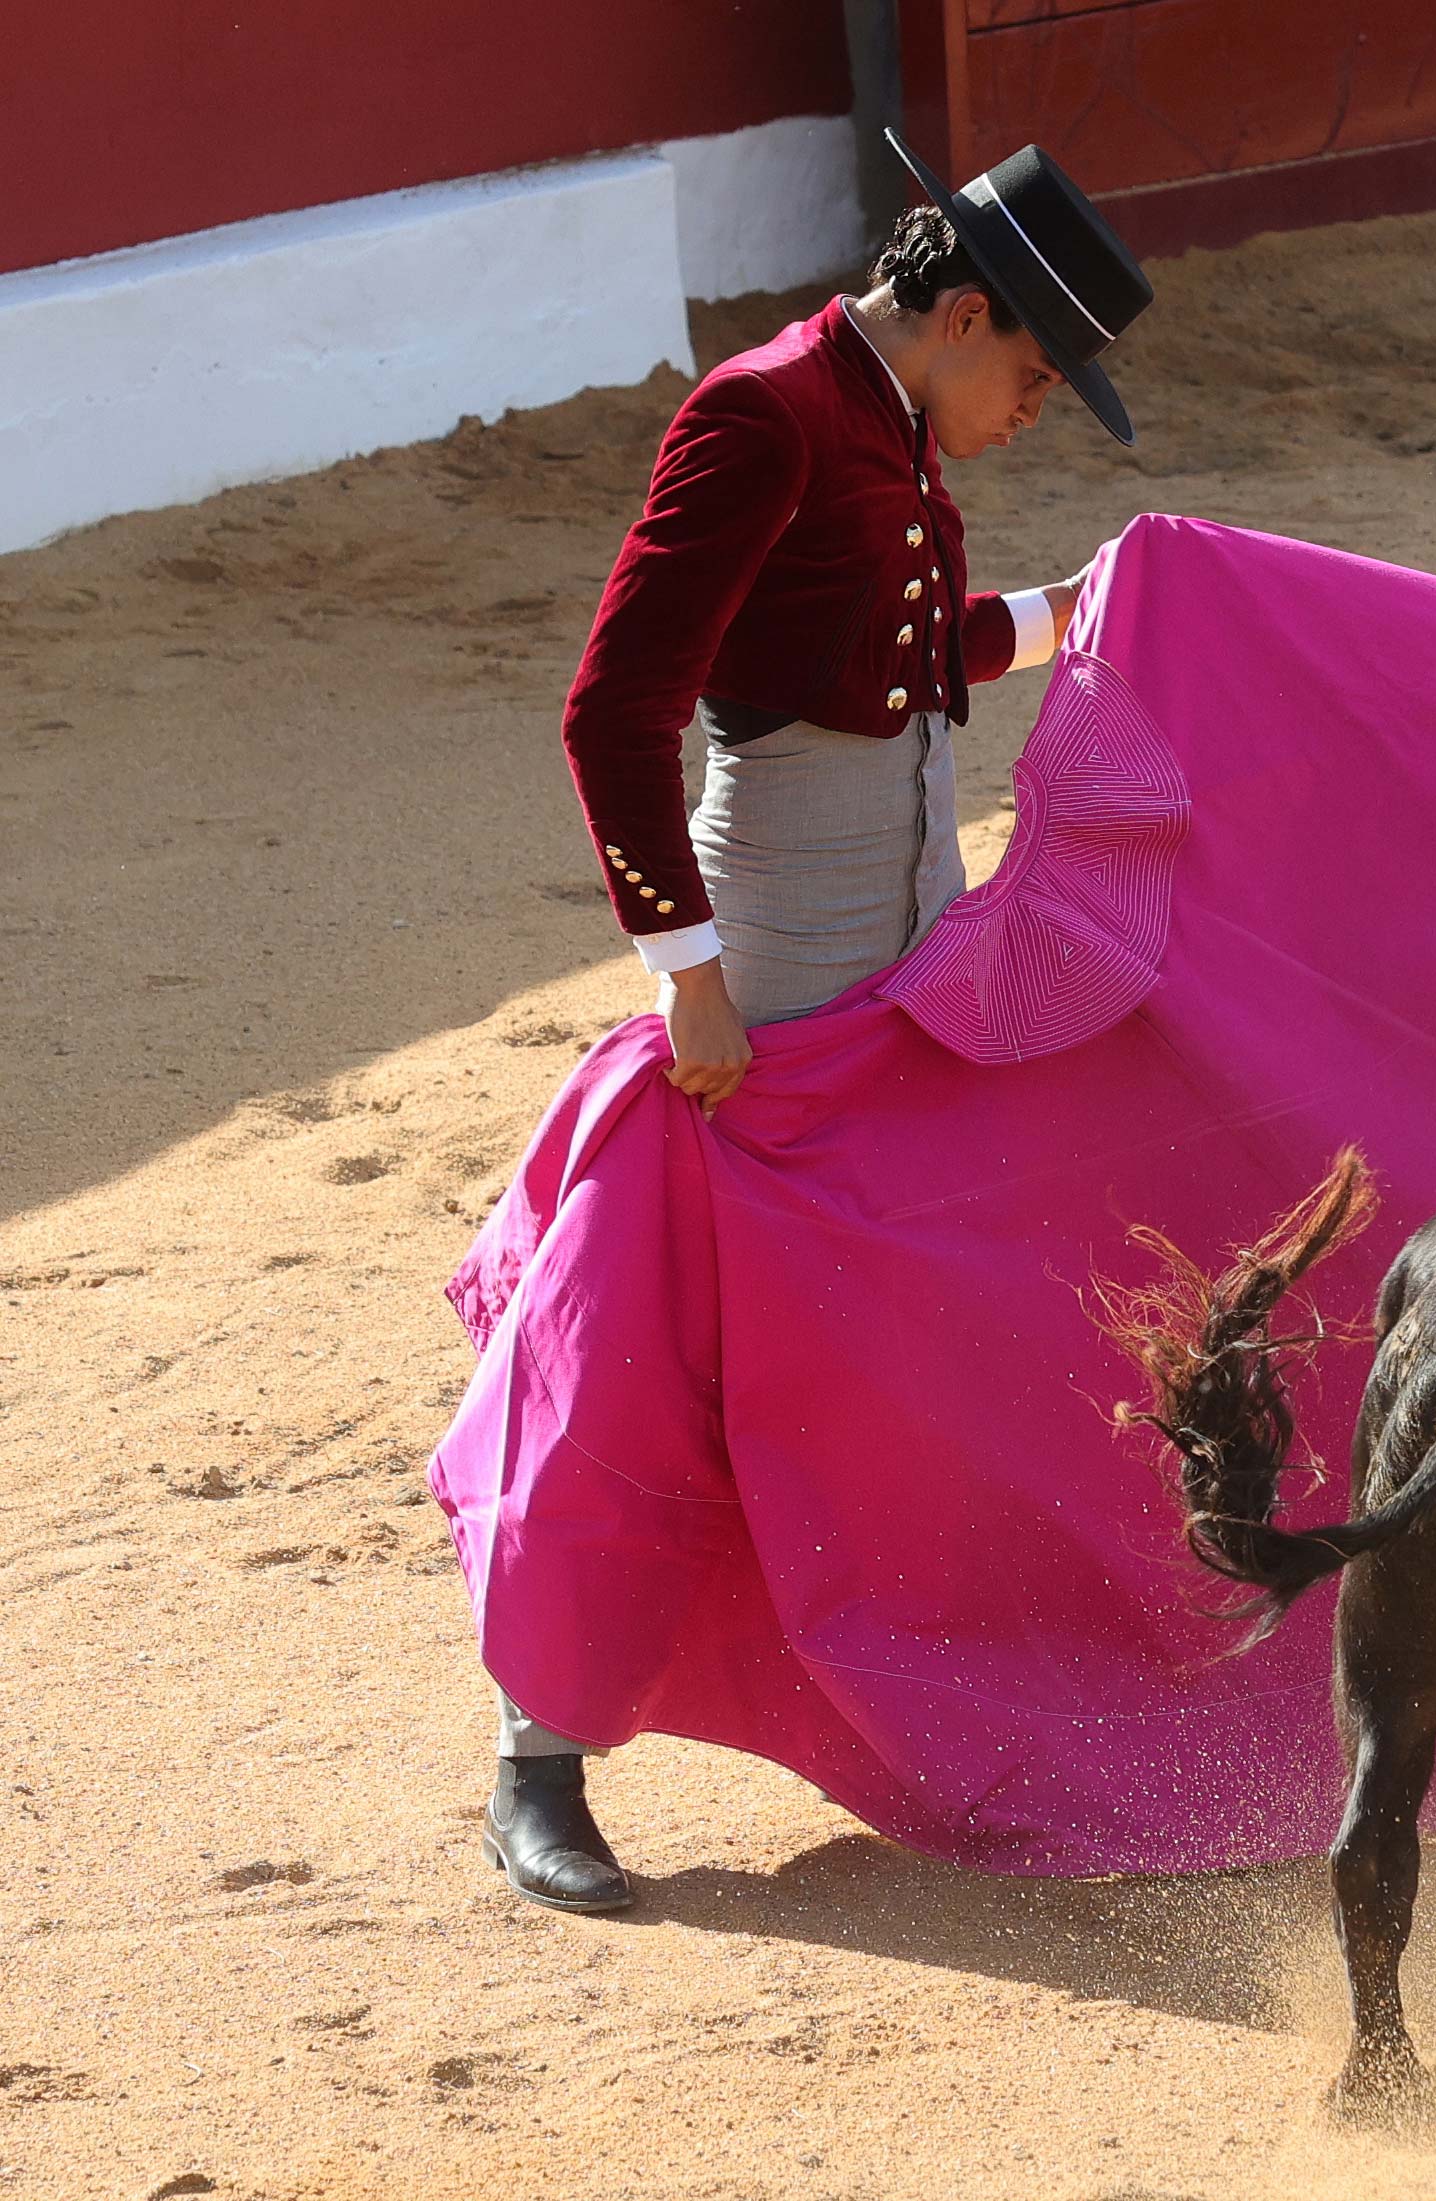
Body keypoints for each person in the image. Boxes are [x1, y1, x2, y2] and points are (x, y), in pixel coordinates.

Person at [480, 134, 1153, 1912]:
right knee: (677, 1339)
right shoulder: (764, 411)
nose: (1028, 408)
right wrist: (684, 968)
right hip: (771, 952)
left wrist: (1068, 617)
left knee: (890, 1322)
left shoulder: (883, 414)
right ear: (956, 310)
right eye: (1029, 370)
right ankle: (537, 1741)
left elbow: (881, 656)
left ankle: (926, 1691)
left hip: (907, 922)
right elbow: (612, 709)